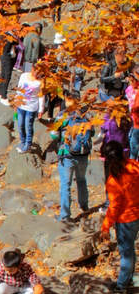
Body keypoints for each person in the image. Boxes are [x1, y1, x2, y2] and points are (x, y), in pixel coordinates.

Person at [50, 91, 94, 222]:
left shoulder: (63, 115)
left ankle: (65, 215)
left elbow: (53, 135)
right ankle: (84, 205)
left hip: (67, 155)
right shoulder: (86, 114)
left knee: (66, 184)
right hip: (83, 154)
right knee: (81, 179)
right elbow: (92, 132)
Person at [101, 141, 139, 292]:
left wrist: (105, 226)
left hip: (125, 220)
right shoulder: (134, 166)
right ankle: (128, 279)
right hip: (137, 214)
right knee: (130, 251)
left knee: (126, 253)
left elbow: (114, 207)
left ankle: (122, 285)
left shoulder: (114, 180)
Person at [14, 61, 45, 153]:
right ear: (32, 68)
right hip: (21, 104)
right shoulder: (24, 76)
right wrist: (16, 101)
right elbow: (19, 89)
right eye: (35, 70)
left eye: (39, 72)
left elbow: (41, 96)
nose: (36, 73)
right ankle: (22, 141)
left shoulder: (40, 82)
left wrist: (41, 110)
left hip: (31, 107)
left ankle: (28, 144)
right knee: (20, 125)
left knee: (28, 126)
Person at [0, 31, 19, 105]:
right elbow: (17, 42)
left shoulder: (2, 34)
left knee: (3, 74)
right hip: (7, 57)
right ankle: (4, 96)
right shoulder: (9, 36)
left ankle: (1, 93)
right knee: (7, 75)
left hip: (2, 55)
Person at [125, 63, 139, 160]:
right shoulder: (129, 89)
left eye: (132, 80)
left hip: (137, 124)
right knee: (132, 149)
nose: (130, 82)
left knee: (134, 150)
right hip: (134, 123)